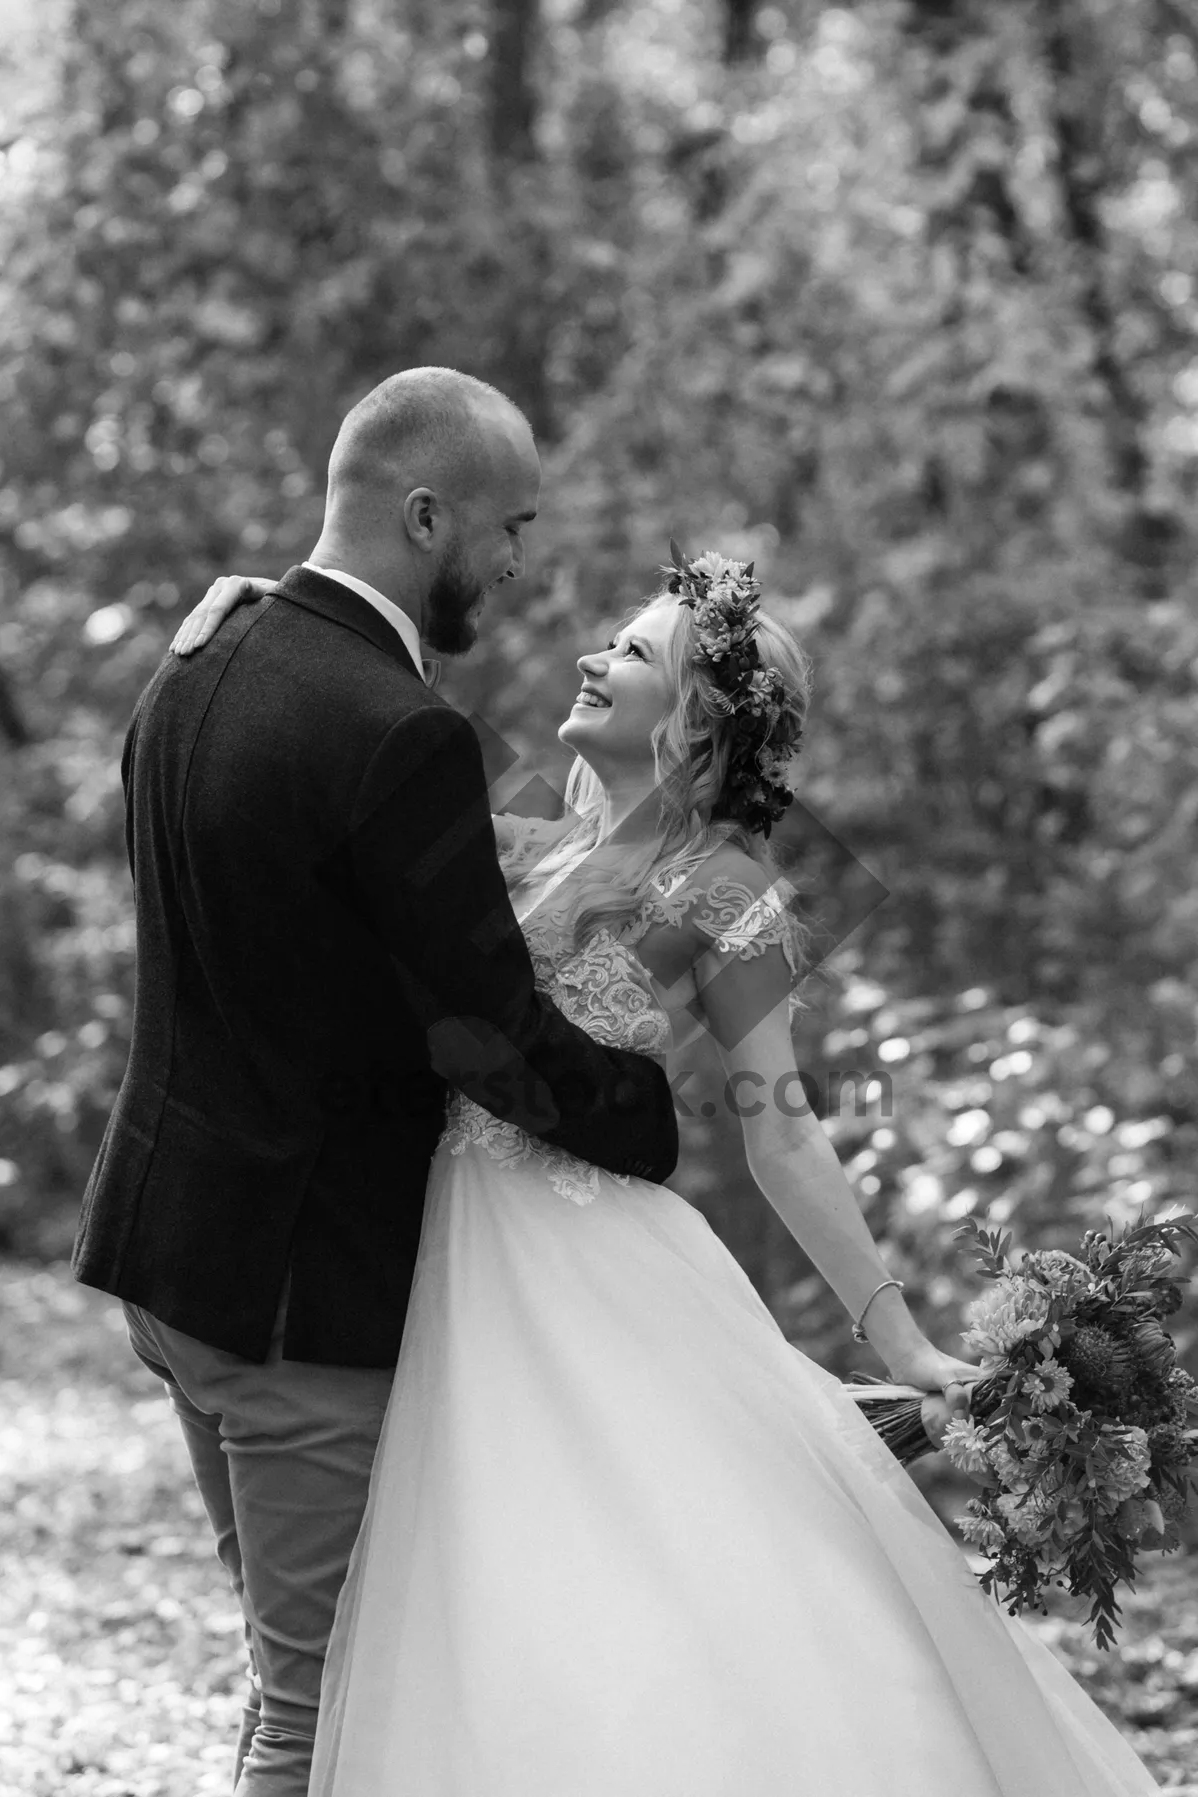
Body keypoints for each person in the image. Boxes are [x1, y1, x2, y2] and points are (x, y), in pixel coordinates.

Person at [175, 547, 1158, 1794]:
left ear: (694, 723)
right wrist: (262, 618)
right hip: (445, 1259)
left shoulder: (727, 889)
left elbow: (782, 1124)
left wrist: (901, 1341)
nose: (593, 657)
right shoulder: (513, 841)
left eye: (632, 653)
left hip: (594, 1271)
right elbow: (329, 766)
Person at [72, 367, 682, 1797]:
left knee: (289, 1677)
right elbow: (490, 1031)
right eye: (510, 526)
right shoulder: (401, 734)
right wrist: (646, 1121)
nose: (522, 563)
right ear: (425, 514)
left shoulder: (198, 659)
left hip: (175, 1261)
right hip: (299, 1300)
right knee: (318, 1708)